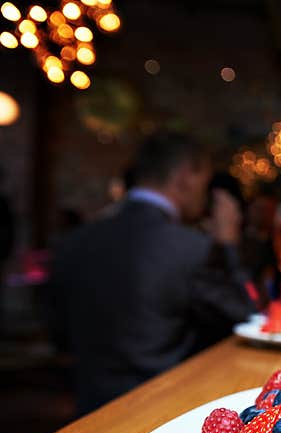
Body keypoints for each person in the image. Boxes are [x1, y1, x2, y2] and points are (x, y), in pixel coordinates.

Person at [49, 131, 255, 415]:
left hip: (86, 413)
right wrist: (229, 245)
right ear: (186, 177)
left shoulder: (73, 241)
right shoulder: (193, 248)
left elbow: (58, 334)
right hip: (159, 416)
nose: (205, 196)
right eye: (205, 183)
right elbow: (246, 316)